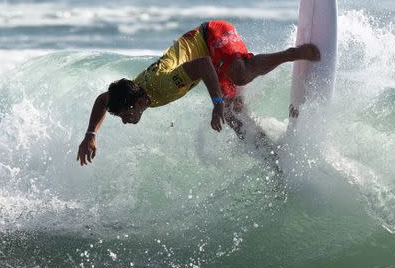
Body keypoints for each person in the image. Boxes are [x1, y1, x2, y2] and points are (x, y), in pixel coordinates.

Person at [77, 20, 320, 166]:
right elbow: (104, 98)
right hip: (211, 62)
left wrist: (216, 103)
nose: (125, 121)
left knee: (241, 75)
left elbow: (203, 64)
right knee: (237, 121)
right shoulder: (134, 91)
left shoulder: (163, 84)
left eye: (124, 115)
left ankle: (293, 53)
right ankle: (276, 160)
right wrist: (90, 134)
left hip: (210, 35)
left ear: (138, 102)